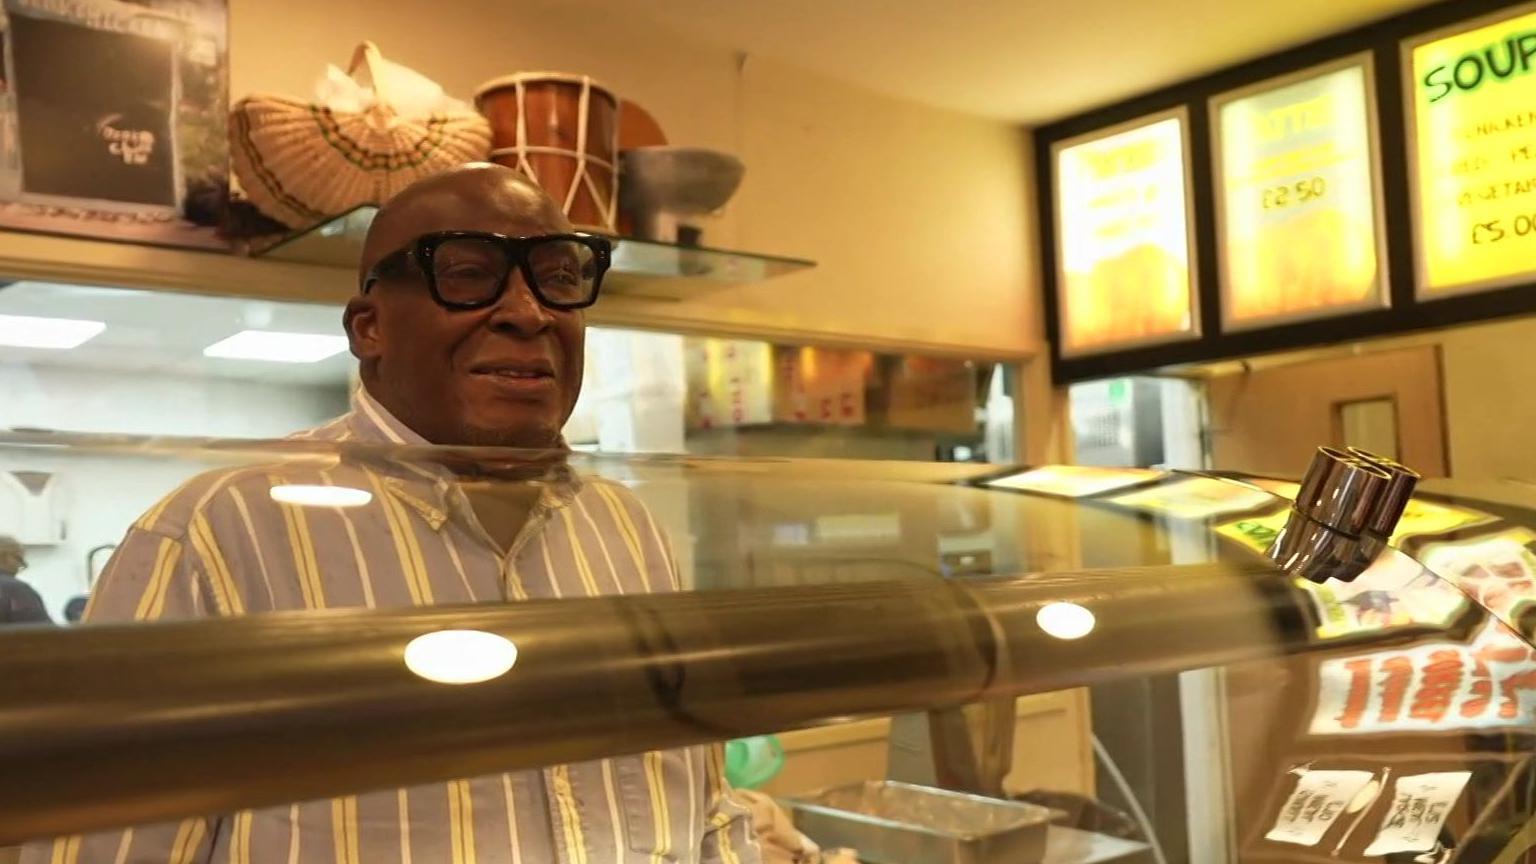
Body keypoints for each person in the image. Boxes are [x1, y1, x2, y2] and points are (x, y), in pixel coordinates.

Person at [25, 164, 760, 864]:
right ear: (368, 329)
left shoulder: (628, 530)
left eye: (560, 280)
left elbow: (708, 807)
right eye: (468, 276)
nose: (530, 312)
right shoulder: (214, 537)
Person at [0, 536, 49, 625]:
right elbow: (43, 633)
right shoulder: (15, 590)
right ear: (4, 556)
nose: (19, 567)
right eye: (19, 559)